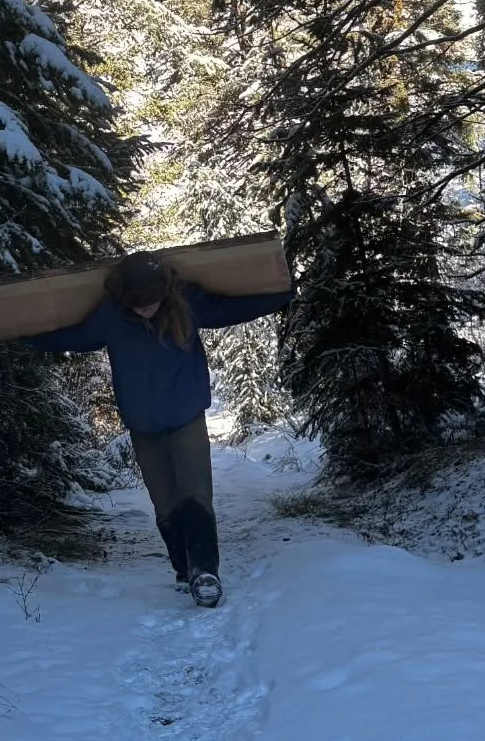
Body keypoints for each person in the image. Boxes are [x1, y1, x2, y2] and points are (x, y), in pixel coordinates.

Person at [20, 251, 293, 607]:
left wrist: (283, 295)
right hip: (143, 426)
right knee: (165, 504)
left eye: (151, 301)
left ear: (164, 291)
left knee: (194, 494)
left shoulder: (188, 304)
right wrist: (22, 337)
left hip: (187, 417)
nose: (146, 309)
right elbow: (73, 336)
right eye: (138, 304)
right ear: (124, 298)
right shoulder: (111, 316)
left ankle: (205, 571)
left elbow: (232, 309)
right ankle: (183, 568)